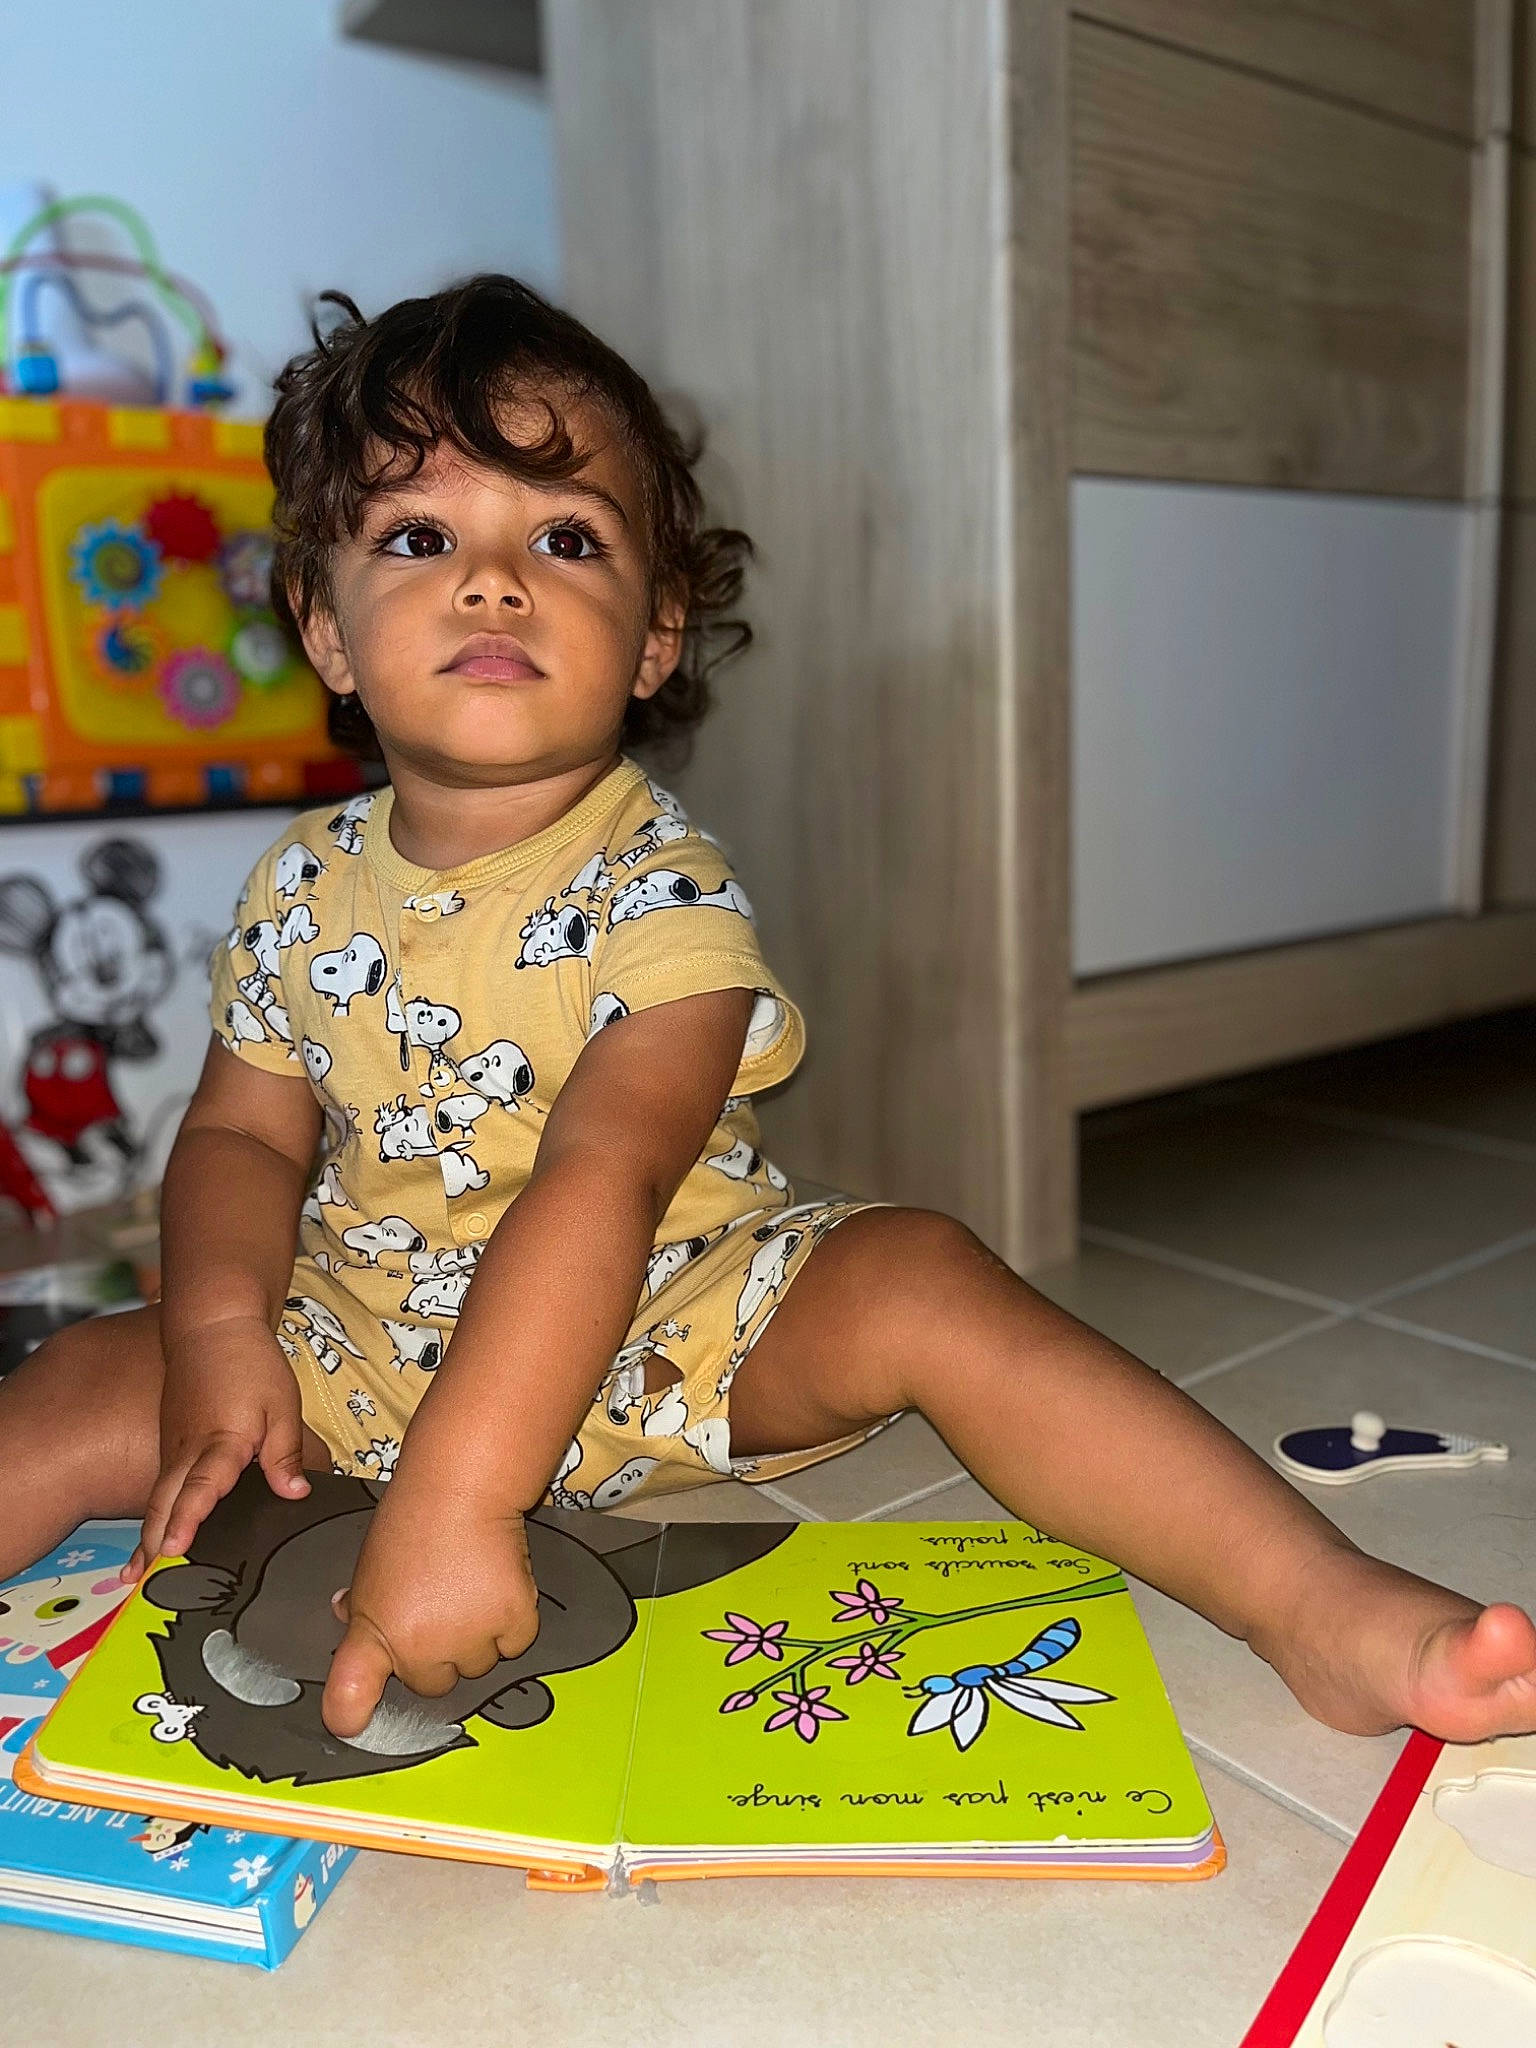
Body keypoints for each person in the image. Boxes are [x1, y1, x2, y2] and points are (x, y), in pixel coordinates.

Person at [3, 275, 1532, 1749]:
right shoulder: (299, 883)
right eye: (417, 535)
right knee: (84, 1374)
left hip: (669, 1320)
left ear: (657, 629)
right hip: (358, 1337)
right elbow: (240, 1133)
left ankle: (1318, 1606)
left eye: (564, 536)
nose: (492, 579)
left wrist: (461, 1504)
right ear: (326, 630)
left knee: (924, 1276)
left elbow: (606, 1175)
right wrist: (218, 1339)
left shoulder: (663, 887)